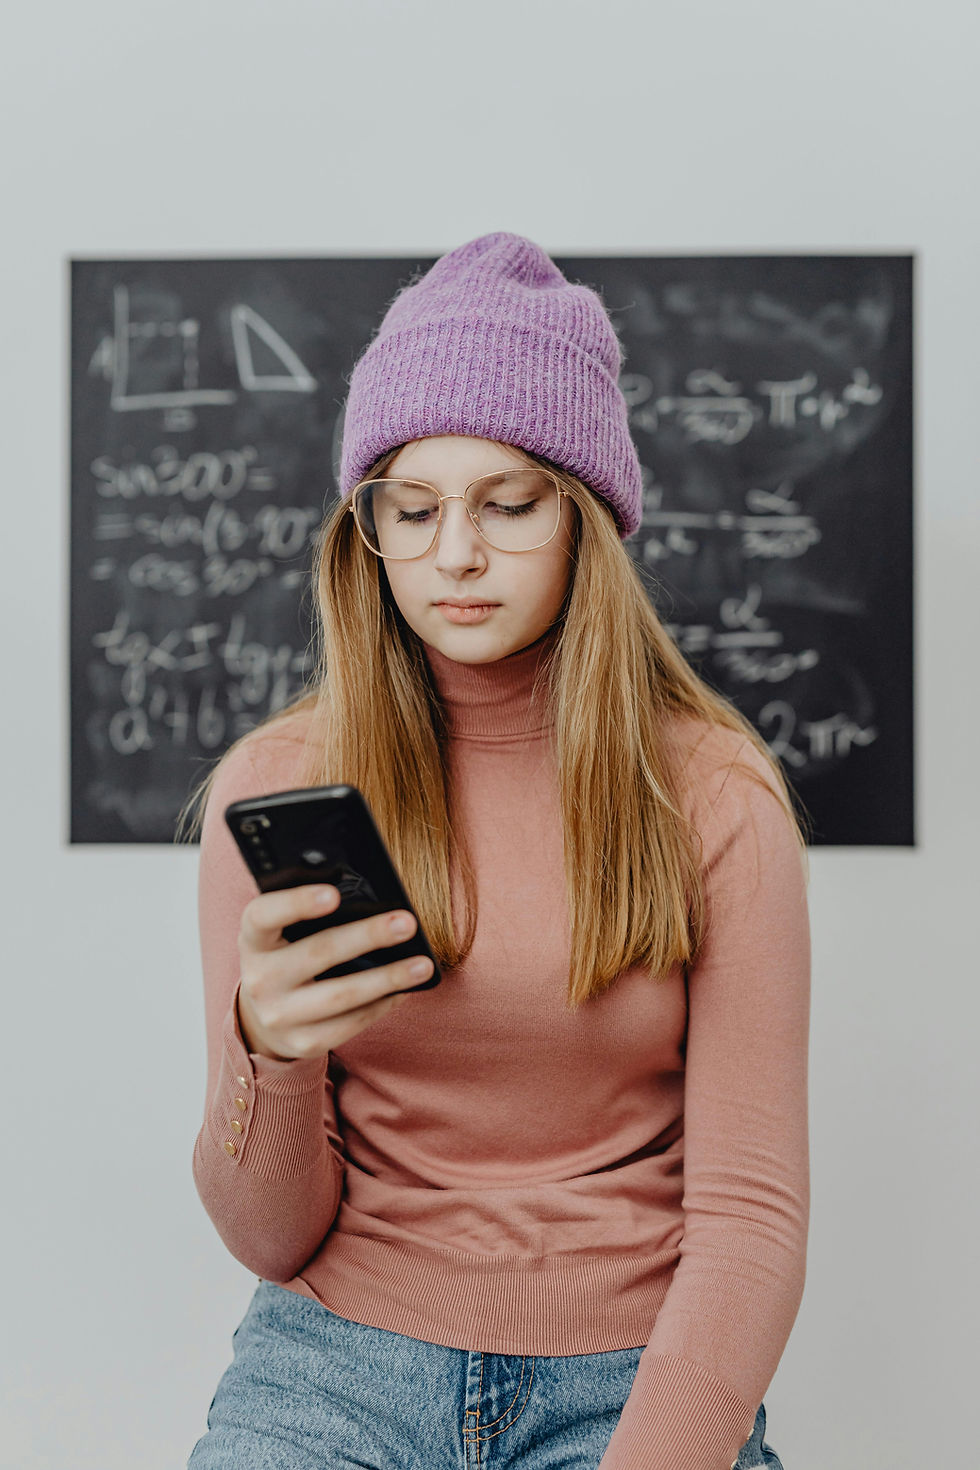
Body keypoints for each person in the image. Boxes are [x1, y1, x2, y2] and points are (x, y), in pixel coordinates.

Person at [186, 232, 810, 1470]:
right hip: (336, 1368)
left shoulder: (716, 797)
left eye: (507, 505)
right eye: (410, 510)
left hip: (631, 1377)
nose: (453, 554)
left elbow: (749, 1221)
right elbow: (269, 1239)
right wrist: (272, 1054)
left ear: (585, 519)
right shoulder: (276, 787)